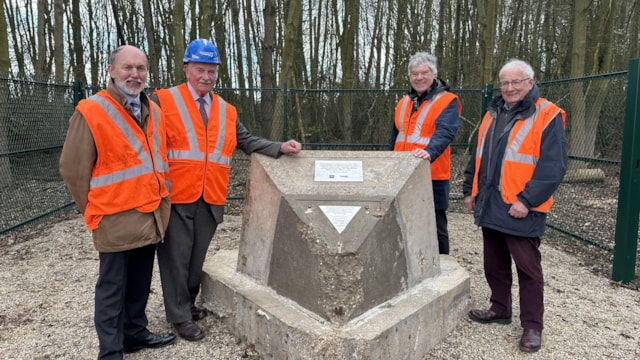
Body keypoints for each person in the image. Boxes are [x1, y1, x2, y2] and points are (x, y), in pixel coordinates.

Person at [153, 38, 302, 341]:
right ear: (186, 69)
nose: (206, 76)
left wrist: (279, 147)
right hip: (176, 195)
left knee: (196, 258)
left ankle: (187, 302)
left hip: (210, 196)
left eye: (211, 71)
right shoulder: (162, 101)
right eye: (200, 70)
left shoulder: (226, 109)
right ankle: (179, 315)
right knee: (175, 258)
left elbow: (246, 141)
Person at [59, 45, 176, 359]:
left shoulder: (153, 109)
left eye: (140, 68)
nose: (134, 75)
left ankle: (134, 333)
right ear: (111, 70)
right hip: (113, 218)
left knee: (139, 282)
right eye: (127, 68)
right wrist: (94, 209)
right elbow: (72, 169)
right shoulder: (91, 110)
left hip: (149, 213)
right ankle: (110, 351)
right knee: (112, 289)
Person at [462, 59, 567, 353]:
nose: (509, 88)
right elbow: (477, 155)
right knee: (493, 262)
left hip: (520, 206)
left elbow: (553, 167)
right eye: (505, 83)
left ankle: (532, 326)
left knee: (528, 269)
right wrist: (469, 189)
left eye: (516, 82)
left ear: (530, 83)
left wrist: (527, 200)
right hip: (491, 201)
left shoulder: (547, 115)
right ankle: (500, 307)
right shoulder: (493, 113)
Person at [389, 52, 461, 255]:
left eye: (424, 73)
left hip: (432, 173)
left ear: (434, 74)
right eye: (414, 73)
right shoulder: (404, 102)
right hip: (402, 172)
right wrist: (389, 162)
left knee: (436, 224)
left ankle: (442, 265)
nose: (419, 77)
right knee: (404, 219)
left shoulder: (447, 101)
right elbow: (395, 136)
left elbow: (446, 131)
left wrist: (430, 152)